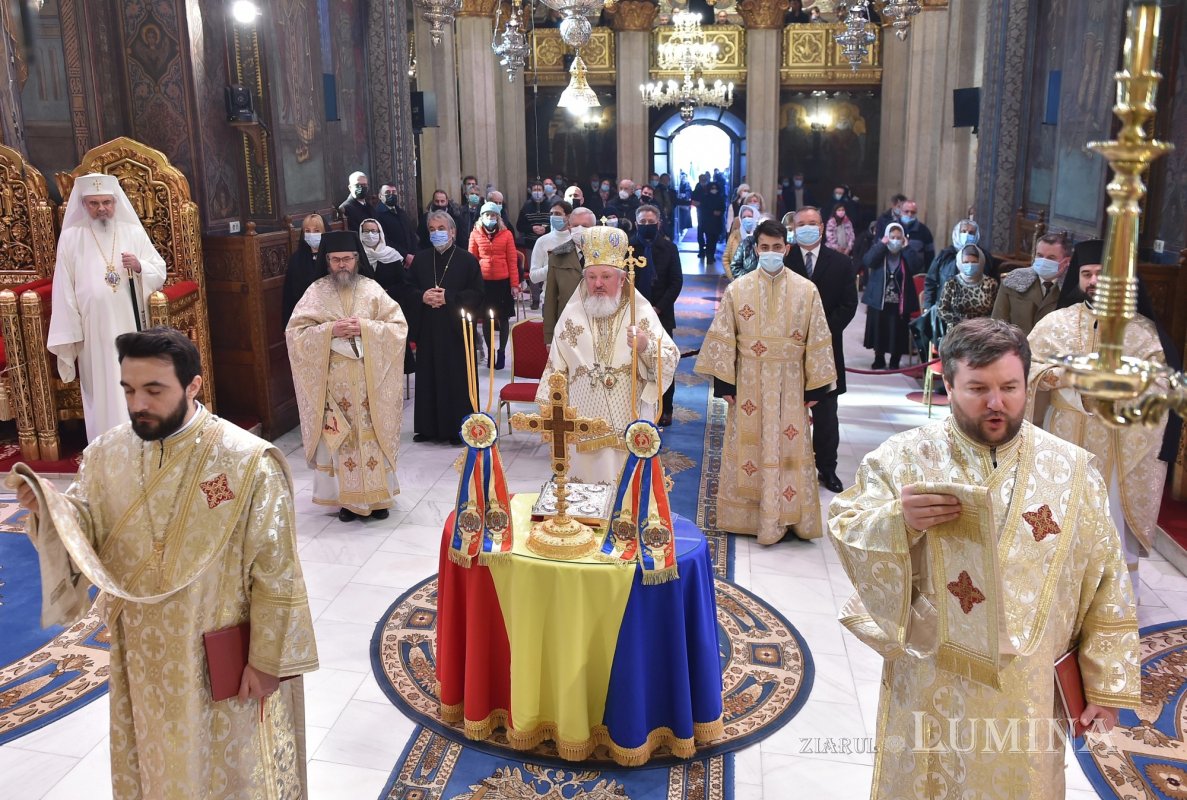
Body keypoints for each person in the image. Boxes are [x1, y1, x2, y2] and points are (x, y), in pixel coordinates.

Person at [829, 317, 1139, 799]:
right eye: (978, 388)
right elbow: (848, 526)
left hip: (1028, 692)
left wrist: (1103, 687)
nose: (997, 403)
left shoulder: (1073, 472)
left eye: (1010, 388)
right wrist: (898, 520)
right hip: (931, 678)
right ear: (947, 383)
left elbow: (1107, 582)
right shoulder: (903, 460)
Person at [14, 327, 319, 798]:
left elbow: (275, 570)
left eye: (154, 390)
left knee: (230, 772)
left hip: (216, 652)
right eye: (130, 390)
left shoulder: (246, 462)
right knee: (158, 767)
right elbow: (87, 527)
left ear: (193, 385)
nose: (138, 404)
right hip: (142, 653)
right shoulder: (107, 454)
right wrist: (49, 509)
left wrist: (265, 661)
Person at [1027, 239, 1168, 593]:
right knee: (1057, 510)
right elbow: (1025, 368)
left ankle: (1111, 597)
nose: (1092, 281)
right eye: (1086, 274)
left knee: (1108, 516)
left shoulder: (1141, 331)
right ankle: (1051, 590)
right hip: (1061, 438)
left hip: (1116, 446)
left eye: (1101, 275)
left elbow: (1160, 383)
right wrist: (1064, 378)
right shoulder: (1054, 323)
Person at [695, 219, 836, 543]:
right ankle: (745, 517)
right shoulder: (738, 288)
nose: (770, 252)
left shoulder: (806, 289)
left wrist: (815, 386)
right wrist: (725, 384)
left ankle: (789, 517)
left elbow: (818, 338)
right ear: (756, 248)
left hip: (790, 384)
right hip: (748, 384)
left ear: (786, 249)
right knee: (748, 446)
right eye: (764, 247)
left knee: (789, 447)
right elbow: (723, 336)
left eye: (776, 247)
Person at [539, 225, 678, 483]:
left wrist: (646, 346)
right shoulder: (571, 315)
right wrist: (551, 410)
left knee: (623, 484)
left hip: (627, 416)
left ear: (622, 279)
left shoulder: (641, 313)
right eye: (591, 277)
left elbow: (669, 358)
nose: (598, 284)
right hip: (581, 419)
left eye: (605, 276)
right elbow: (555, 368)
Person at [286, 231, 408, 522]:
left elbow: (398, 327)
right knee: (341, 439)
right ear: (327, 261)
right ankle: (346, 502)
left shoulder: (372, 289)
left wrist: (365, 327)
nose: (342, 265)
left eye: (348, 259)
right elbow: (294, 334)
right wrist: (330, 331)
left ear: (357, 259)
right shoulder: (315, 292)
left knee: (372, 437)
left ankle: (379, 500)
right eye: (336, 260)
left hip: (370, 382)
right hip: (334, 384)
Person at [48, 172, 167, 442]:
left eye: (106, 202)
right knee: (102, 389)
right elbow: (64, 288)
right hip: (93, 332)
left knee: (132, 380)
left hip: (129, 322)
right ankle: (105, 446)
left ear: (115, 202)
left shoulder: (133, 232)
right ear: (83, 205)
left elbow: (159, 270)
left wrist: (139, 266)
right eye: (94, 203)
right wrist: (70, 330)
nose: (102, 208)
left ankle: (140, 440)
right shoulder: (71, 238)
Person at [784, 207, 858, 494]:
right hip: (789, 349)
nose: (807, 228)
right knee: (788, 410)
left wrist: (821, 332)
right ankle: (787, 466)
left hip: (827, 349)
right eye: (801, 224)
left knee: (827, 414)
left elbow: (848, 305)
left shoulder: (840, 263)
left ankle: (827, 468)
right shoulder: (784, 259)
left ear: (822, 227)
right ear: (794, 228)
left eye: (812, 223)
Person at [408, 211, 485, 444]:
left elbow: (477, 294)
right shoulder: (420, 260)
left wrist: (448, 298)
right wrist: (423, 297)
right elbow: (407, 290)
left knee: (456, 378)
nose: (437, 233)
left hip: (456, 331)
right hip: (429, 329)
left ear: (452, 231)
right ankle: (428, 428)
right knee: (428, 375)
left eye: (441, 228)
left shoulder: (467, 260)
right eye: (432, 229)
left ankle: (459, 428)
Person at [632, 204, 683, 426]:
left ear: (658, 223)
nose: (646, 226)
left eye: (650, 222)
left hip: (661, 314)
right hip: (632, 315)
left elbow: (676, 282)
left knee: (663, 361)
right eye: (642, 222)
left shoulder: (669, 248)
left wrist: (658, 308)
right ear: (636, 223)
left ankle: (665, 408)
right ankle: (637, 403)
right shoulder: (629, 247)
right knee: (635, 362)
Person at [862, 221, 922, 369]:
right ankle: (879, 358)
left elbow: (917, 265)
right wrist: (881, 245)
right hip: (880, 299)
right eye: (892, 237)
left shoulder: (906, 254)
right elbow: (868, 261)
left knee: (898, 331)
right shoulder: (880, 251)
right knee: (879, 329)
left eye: (898, 237)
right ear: (886, 237)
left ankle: (895, 360)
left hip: (900, 301)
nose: (895, 240)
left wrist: (907, 248)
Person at [468, 202, 520, 370]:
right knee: (486, 319)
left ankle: (502, 352)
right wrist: (471, 284)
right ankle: (490, 352)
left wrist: (514, 284)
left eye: (493, 215)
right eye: (487, 215)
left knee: (503, 318)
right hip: (483, 283)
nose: (490, 218)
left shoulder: (506, 234)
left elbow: (512, 260)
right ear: (481, 217)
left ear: (498, 217)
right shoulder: (475, 234)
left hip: (502, 282)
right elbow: (471, 261)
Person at [991, 231, 1072, 335]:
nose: (1043, 261)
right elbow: (997, 325)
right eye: (1040, 255)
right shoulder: (1013, 280)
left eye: (1051, 258)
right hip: (1015, 347)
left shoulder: (1073, 289)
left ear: (1066, 262)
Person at [543, 206, 596, 345]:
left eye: (585, 226)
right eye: (575, 225)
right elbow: (551, 298)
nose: (580, 229)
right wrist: (549, 337)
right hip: (567, 327)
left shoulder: (607, 255)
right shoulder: (557, 256)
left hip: (598, 326)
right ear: (569, 227)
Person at [937, 244, 998, 329]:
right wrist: (962, 320)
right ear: (960, 263)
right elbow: (941, 311)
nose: (970, 265)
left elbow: (997, 312)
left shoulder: (991, 284)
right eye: (966, 262)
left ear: (981, 262)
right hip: (957, 329)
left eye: (974, 262)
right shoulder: (951, 283)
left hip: (984, 330)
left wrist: (981, 323)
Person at [283, 213, 326, 323]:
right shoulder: (297, 258)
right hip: (304, 315)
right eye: (307, 231)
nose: (312, 235)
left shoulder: (333, 257)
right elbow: (289, 293)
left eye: (316, 231)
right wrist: (287, 323)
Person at [517, 181, 551, 309]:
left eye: (539, 189)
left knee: (547, 269)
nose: (537, 191)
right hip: (531, 244)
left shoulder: (549, 205)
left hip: (547, 244)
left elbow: (554, 223)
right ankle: (535, 299)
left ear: (543, 191)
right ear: (531, 191)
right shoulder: (526, 207)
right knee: (534, 271)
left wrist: (545, 229)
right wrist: (532, 228)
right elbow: (519, 225)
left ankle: (547, 296)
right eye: (535, 189)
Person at [529, 198, 572, 287]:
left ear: (568, 217)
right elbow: (533, 276)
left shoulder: (576, 239)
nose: (553, 217)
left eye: (558, 214)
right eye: (551, 214)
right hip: (549, 294)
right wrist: (553, 265)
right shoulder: (542, 241)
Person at [375, 183, 416, 256]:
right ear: (380, 196)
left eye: (394, 192)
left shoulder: (402, 212)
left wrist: (414, 254)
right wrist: (405, 255)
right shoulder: (377, 215)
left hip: (411, 257)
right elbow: (384, 240)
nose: (391, 194)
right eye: (387, 192)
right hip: (394, 258)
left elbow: (411, 234)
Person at [724, 203, 760, 278]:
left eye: (750, 216)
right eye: (744, 217)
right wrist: (733, 278)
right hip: (737, 280)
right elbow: (726, 259)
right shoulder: (734, 235)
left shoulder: (761, 236)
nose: (747, 219)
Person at [898, 199, 935, 268]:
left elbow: (930, 256)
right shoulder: (892, 228)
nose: (909, 214)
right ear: (901, 212)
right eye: (906, 211)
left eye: (913, 212)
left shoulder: (924, 231)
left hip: (915, 274)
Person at [695, 179, 726, 260]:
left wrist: (720, 212)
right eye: (712, 188)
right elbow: (703, 209)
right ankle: (709, 256)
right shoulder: (705, 198)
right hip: (708, 222)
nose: (714, 190)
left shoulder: (720, 198)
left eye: (715, 188)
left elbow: (723, 208)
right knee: (709, 239)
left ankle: (712, 255)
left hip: (717, 222)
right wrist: (712, 212)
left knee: (715, 239)